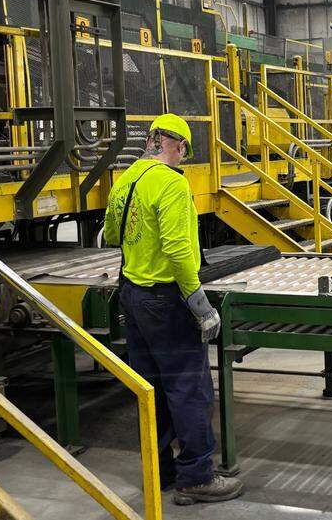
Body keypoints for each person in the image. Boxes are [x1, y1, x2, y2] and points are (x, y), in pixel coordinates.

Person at [102, 113, 243, 505]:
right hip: (166, 300)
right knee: (189, 388)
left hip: (133, 296)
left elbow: (113, 234)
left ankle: (160, 471)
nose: (182, 157)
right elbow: (180, 250)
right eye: (183, 151)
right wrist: (200, 305)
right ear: (177, 145)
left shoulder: (125, 180)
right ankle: (196, 477)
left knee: (151, 389)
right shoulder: (172, 184)